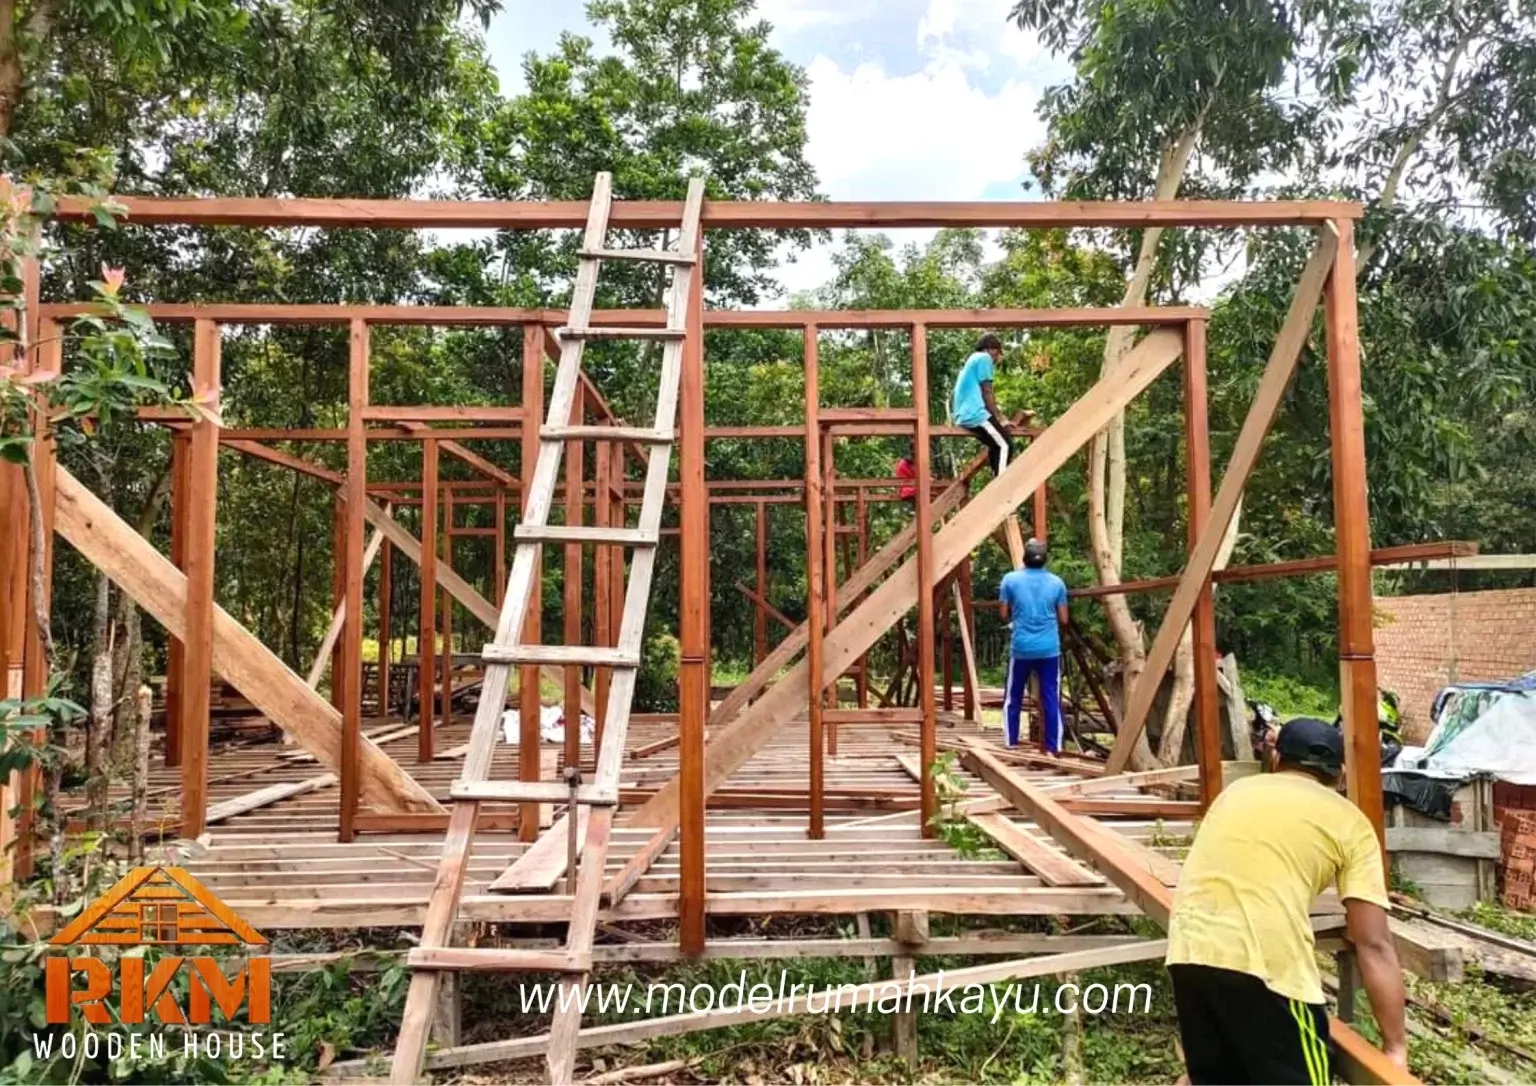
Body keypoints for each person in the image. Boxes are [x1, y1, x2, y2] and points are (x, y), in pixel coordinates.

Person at [1166, 717, 1408, 1085]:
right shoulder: (1351, 823)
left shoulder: (1236, 793)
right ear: (1340, 775)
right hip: (1268, 970)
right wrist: (1395, 1048)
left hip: (1188, 952)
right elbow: (1372, 941)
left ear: (1277, 760)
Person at [997, 538, 1067, 753]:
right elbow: (1064, 619)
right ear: (1045, 559)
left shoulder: (1009, 580)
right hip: (1049, 649)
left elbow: (1002, 614)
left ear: (1024, 558)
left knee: (1013, 696)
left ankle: (1011, 743)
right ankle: (1054, 746)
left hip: (1022, 648)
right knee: (1050, 697)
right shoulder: (1057, 583)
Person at [951, 333, 1011, 478]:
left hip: (963, 414)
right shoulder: (984, 358)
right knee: (1006, 445)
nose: (997, 359)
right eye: (997, 354)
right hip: (975, 414)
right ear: (991, 349)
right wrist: (1000, 418)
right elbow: (987, 391)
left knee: (996, 444)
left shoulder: (971, 360)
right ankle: (1001, 486)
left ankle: (996, 479)